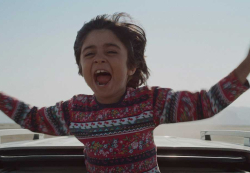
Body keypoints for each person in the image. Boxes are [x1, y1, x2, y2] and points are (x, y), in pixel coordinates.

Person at [0, 12, 249, 173]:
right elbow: (31, 118)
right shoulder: (74, 111)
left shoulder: (150, 102)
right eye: (89, 54)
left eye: (110, 52)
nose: (99, 59)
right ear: (81, 68)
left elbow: (205, 103)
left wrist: (246, 64)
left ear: (131, 66)